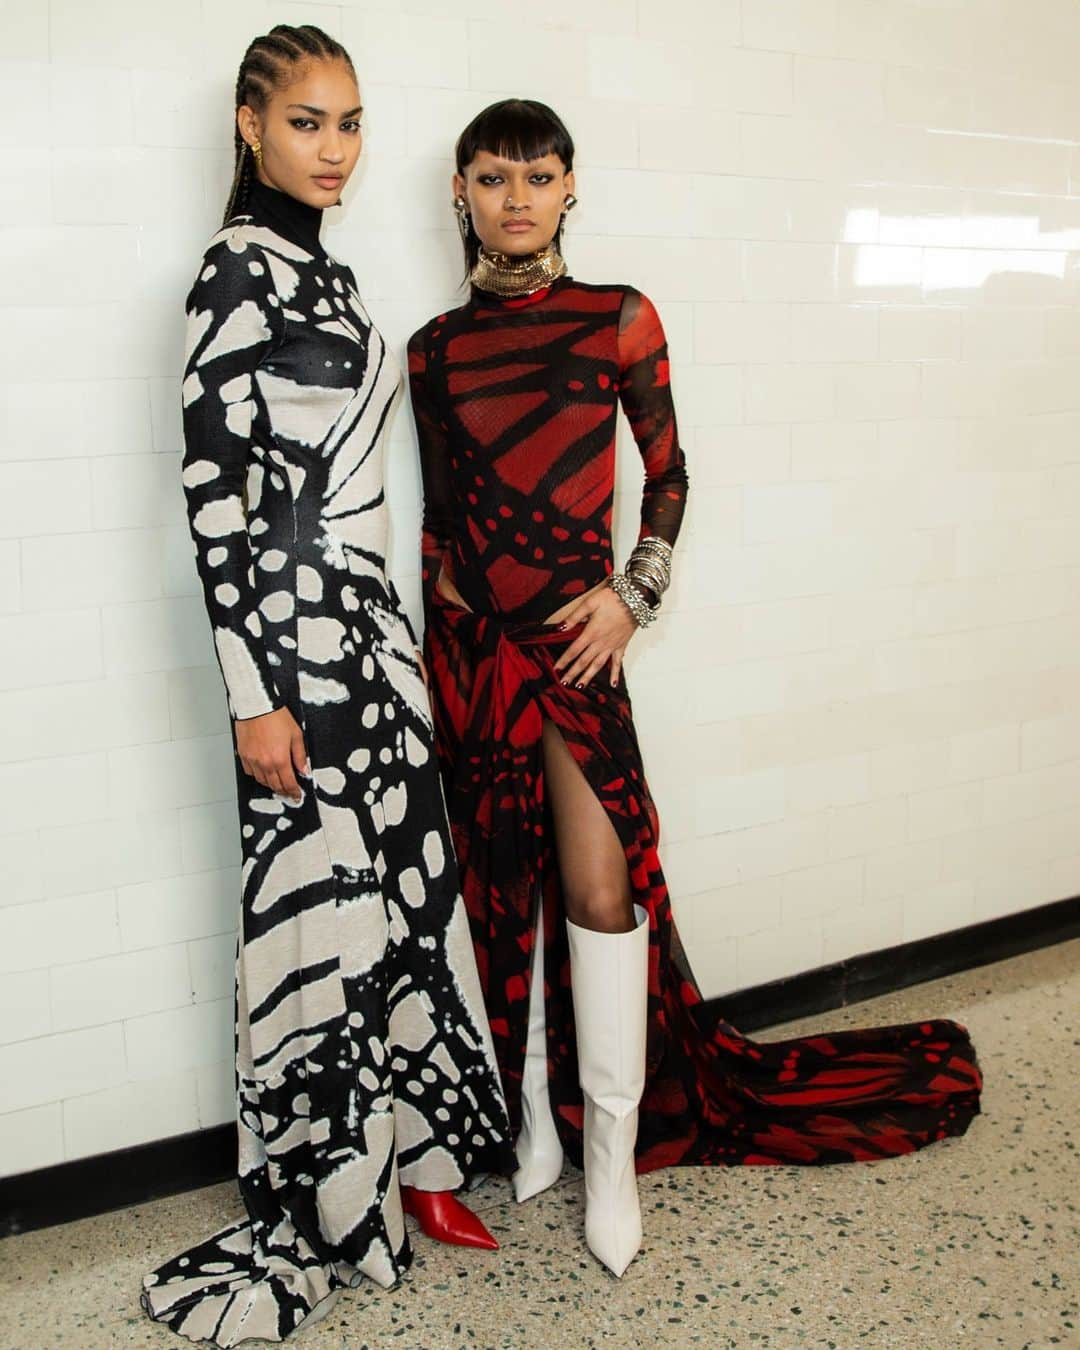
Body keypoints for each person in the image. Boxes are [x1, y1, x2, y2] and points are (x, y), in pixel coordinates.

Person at [407, 98, 983, 1280]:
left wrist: (632, 597)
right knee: (496, 887)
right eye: (491, 177)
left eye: (539, 175)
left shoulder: (620, 318)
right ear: (459, 193)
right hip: (474, 658)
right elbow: (439, 515)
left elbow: (669, 471)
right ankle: (533, 1124)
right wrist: (444, 607)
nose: (515, 198)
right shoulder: (430, 349)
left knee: (597, 883)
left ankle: (613, 1149)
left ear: (572, 189)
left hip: (574, 648)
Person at [142, 27, 515, 1347]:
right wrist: (252, 694)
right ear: (251, 126)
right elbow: (217, 508)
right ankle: (335, 1191)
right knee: (322, 917)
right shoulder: (229, 277)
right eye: (307, 122)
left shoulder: (334, 275)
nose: (335, 147)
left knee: (410, 899)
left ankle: (416, 1159)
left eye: (350, 121)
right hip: (290, 658)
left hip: (375, 646)